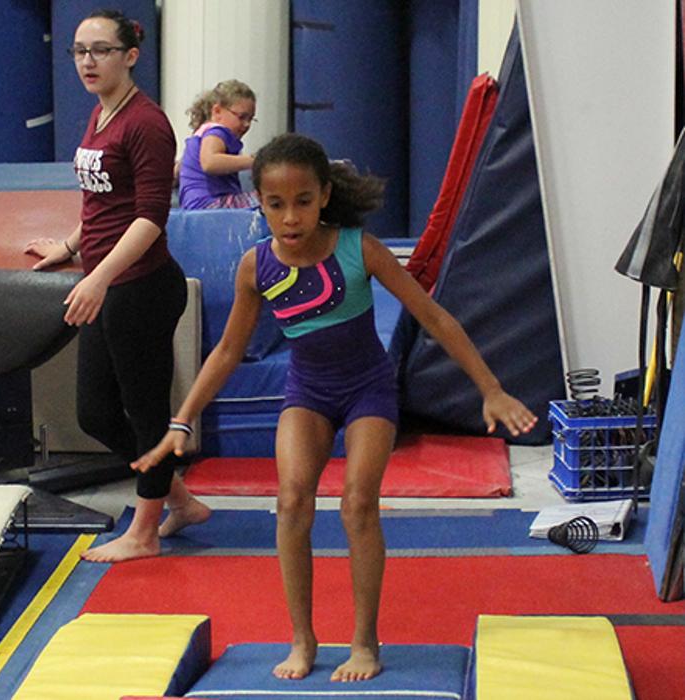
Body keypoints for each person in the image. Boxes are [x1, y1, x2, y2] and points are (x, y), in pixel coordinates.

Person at [135, 134, 538, 682]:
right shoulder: (257, 268)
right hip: (308, 393)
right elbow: (228, 351)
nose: (290, 217)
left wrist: (490, 388)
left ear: (324, 195)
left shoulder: (357, 248)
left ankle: (365, 642)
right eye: (275, 204)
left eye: (303, 201)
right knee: (292, 502)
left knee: (357, 505)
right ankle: (302, 639)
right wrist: (181, 420)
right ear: (259, 203)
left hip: (368, 390)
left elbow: (434, 317)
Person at [25, 8, 190, 563]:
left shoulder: (146, 123)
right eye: (79, 51)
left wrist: (98, 275)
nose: (88, 61)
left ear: (131, 56)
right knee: (94, 412)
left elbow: (149, 216)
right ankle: (179, 500)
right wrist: (70, 248)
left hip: (140, 287)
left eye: (101, 50)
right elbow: (100, 202)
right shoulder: (99, 116)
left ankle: (144, 532)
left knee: (145, 411)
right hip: (109, 283)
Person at [178, 79, 259, 209]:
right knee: (268, 200)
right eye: (241, 117)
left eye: (250, 119)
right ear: (217, 111)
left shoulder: (200, 134)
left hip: (192, 205)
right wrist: (255, 160)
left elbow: (180, 169)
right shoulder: (217, 131)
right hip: (211, 203)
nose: (247, 124)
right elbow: (210, 163)